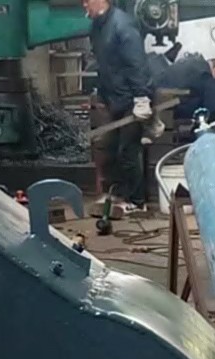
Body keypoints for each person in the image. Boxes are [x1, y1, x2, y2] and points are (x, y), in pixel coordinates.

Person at [84, 0, 153, 211]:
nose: (84, 6)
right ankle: (119, 194)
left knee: (128, 151)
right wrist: (100, 94)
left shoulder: (123, 25)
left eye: (86, 1)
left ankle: (137, 201)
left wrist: (141, 97)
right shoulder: (98, 27)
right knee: (112, 150)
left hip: (131, 99)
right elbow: (103, 63)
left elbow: (135, 63)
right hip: (113, 98)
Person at [152, 54, 215, 125]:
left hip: (155, 97)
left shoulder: (188, 60)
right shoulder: (207, 76)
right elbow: (209, 109)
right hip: (172, 112)